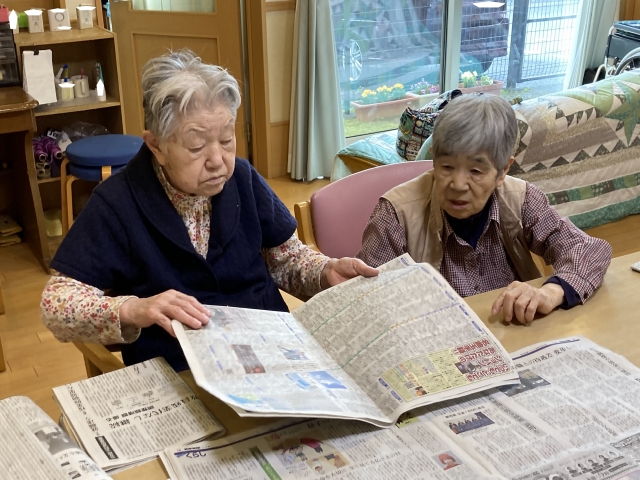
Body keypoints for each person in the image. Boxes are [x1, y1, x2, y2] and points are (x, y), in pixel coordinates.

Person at [41, 50, 377, 371]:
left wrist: (325, 271)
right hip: (180, 365)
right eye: (197, 146)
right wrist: (133, 308)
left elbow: (285, 260)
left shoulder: (242, 178)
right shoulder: (118, 201)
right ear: (156, 145)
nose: (218, 160)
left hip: (270, 352)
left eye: (227, 140)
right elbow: (57, 304)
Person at [357, 95, 611, 325]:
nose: (457, 185)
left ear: (503, 171)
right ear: (433, 158)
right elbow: (365, 298)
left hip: (509, 331)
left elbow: (589, 249)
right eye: (446, 167)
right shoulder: (395, 213)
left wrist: (550, 292)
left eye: (476, 171)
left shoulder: (520, 198)